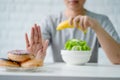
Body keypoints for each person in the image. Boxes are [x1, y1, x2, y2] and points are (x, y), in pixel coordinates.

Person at [25, 0, 120, 64]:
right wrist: (34, 56)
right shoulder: (50, 21)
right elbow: (36, 55)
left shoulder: (101, 20)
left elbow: (118, 58)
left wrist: (97, 27)